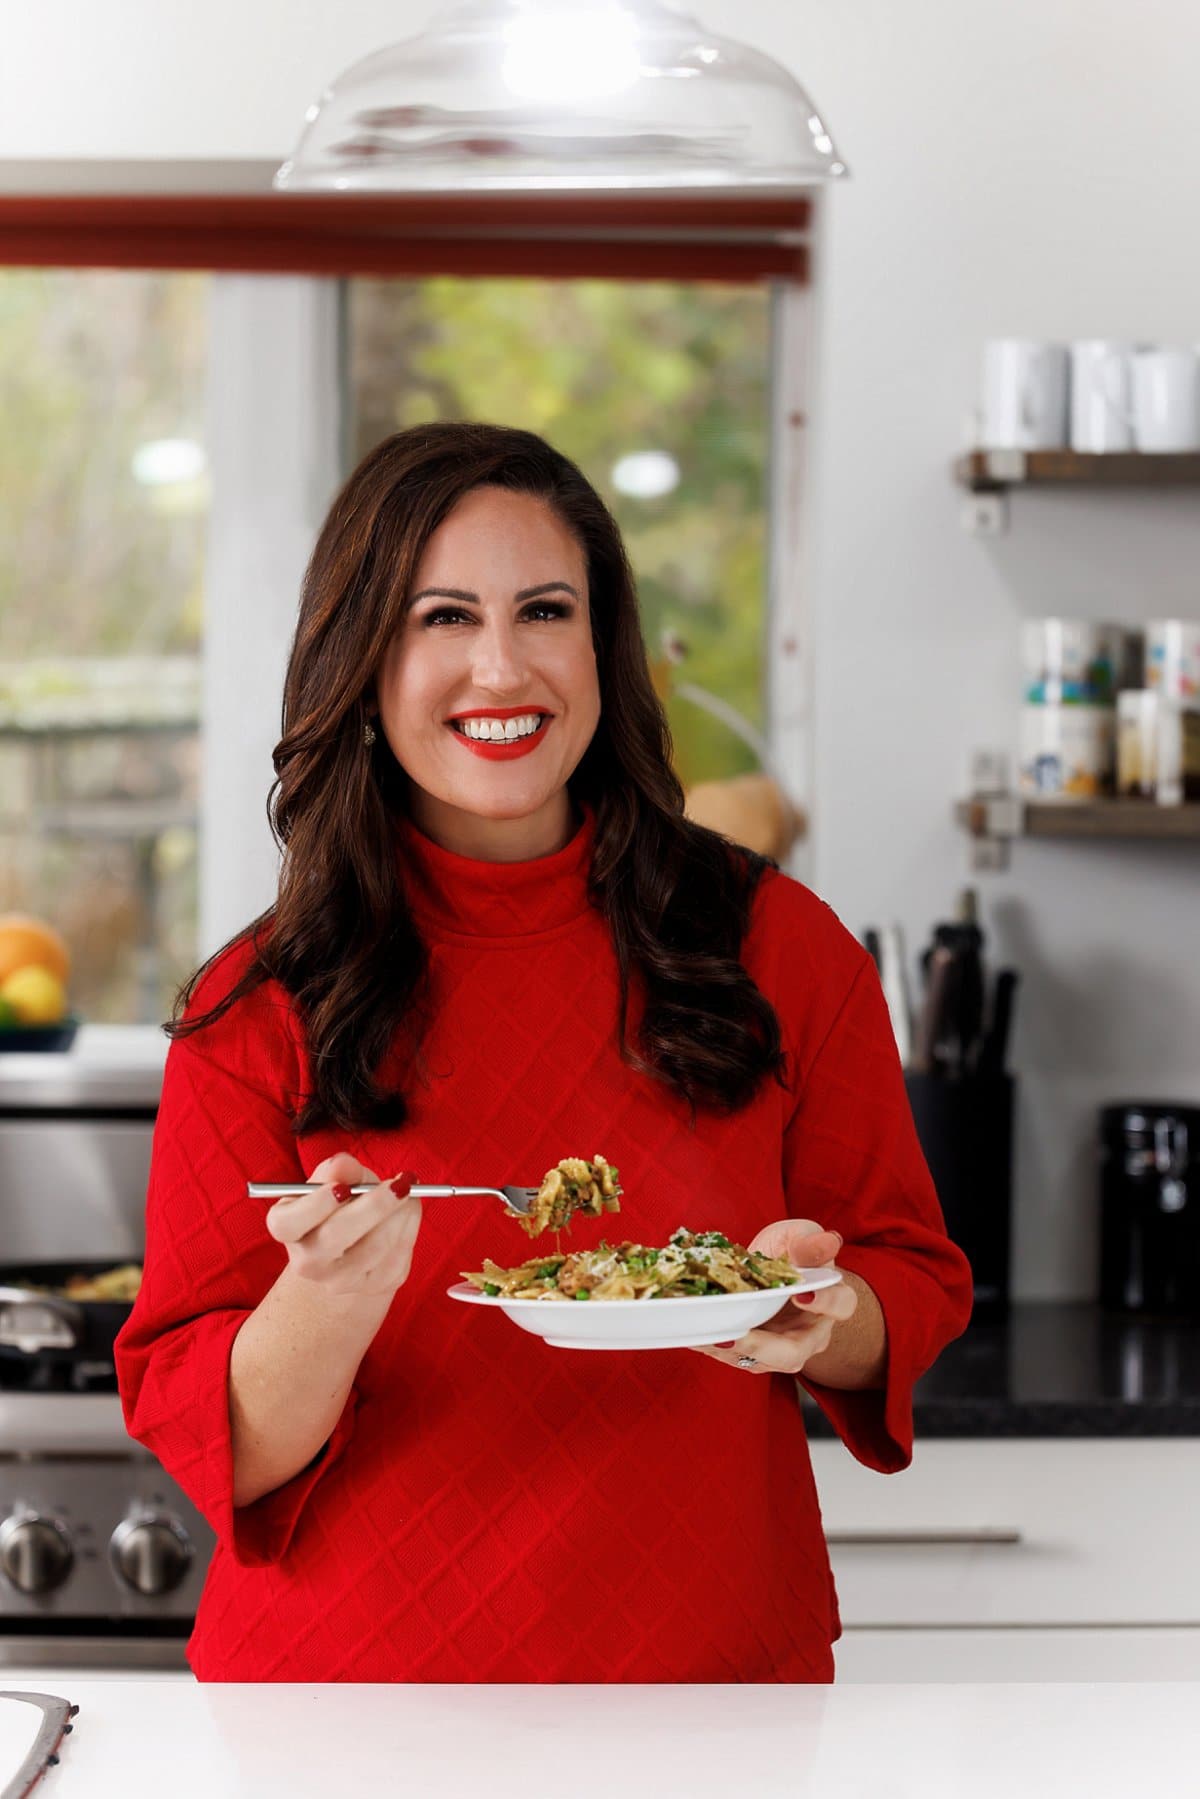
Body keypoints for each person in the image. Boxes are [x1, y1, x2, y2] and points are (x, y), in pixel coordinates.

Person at [114, 421, 973, 1683]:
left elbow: (911, 1278)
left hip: (708, 1685)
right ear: (361, 658)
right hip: (346, 1707)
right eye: (442, 617)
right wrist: (328, 1300)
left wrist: (823, 1311)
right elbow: (228, 1449)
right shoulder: (259, 1001)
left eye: (545, 610)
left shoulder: (778, 945)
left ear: (602, 645)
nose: (500, 667)